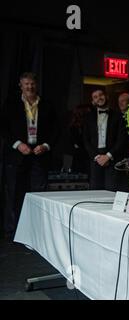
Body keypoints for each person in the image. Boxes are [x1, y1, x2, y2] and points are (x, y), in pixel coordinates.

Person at [2, 72, 57, 239]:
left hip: (39, 155)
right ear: (21, 85)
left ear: (36, 85)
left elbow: (56, 130)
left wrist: (46, 146)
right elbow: (3, 128)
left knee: (38, 195)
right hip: (17, 156)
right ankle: (14, 233)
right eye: (26, 84)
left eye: (32, 84)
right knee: (15, 194)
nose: (30, 87)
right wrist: (18, 145)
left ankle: (37, 233)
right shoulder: (11, 104)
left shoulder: (47, 104)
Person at [83, 88, 127, 191]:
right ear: (93, 101)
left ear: (106, 96)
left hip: (113, 158)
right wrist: (97, 157)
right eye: (95, 97)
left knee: (112, 191)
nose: (99, 98)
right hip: (95, 159)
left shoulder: (118, 116)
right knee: (95, 191)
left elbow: (121, 139)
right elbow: (86, 140)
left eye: (101, 95)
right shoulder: (88, 117)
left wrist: (108, 156)